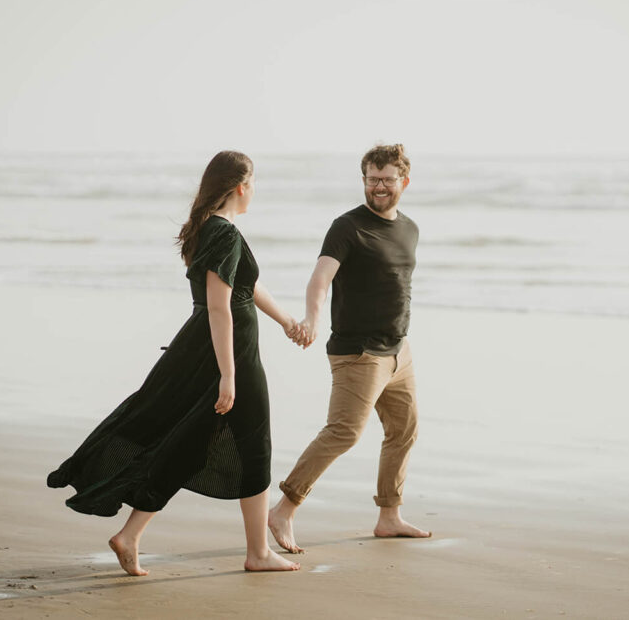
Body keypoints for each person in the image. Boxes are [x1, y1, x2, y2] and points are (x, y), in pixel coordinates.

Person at [47, 150, 301, 575]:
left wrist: (287, 321)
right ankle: (256, 553)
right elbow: (220, 308)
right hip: (224, 355)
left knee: (186, 444)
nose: (255, 191)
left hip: (203, 350)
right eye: (254, 183)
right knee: (253, 447)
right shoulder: (224, 234)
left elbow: (246, 287)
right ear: (241, 186)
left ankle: (130, 535)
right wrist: (229, 376)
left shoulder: (211, 230)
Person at [268, 144, 431, 554]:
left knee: (404, 430)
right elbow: (320, 279)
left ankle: (389, 516)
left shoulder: (410, 228)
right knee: (343, 432)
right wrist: (311, 319)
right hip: (358, 352)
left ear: (403, 182)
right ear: (364, 180)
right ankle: (284, 509)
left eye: (387, 179)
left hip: (398, 351)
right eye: (372, 179)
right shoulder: (347, 227)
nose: (379, 186)